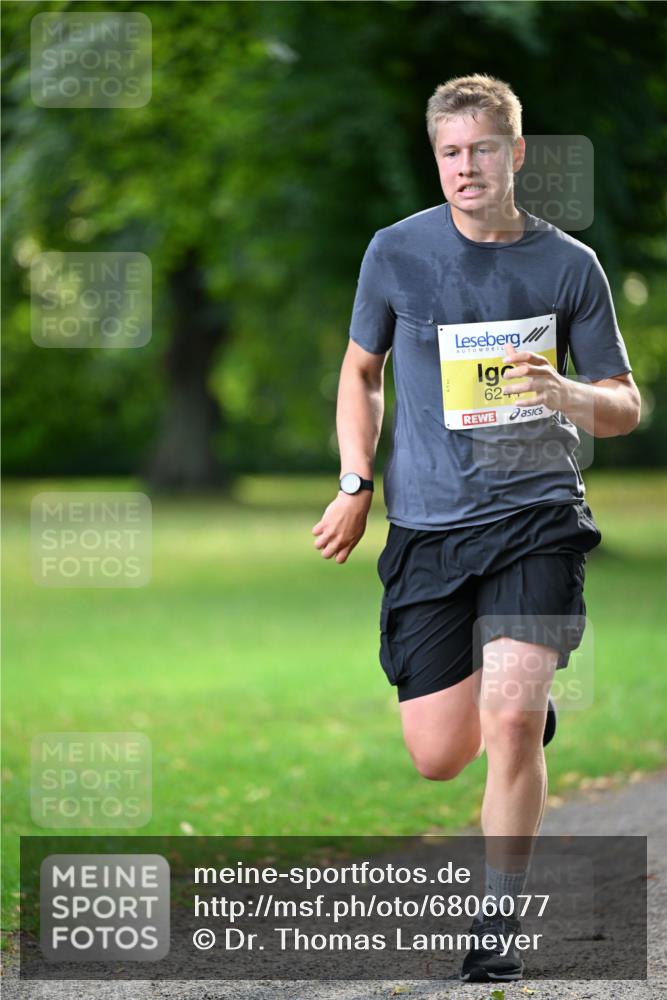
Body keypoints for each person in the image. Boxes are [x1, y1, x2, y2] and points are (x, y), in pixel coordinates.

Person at [311, 73, 640, 983]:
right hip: (426, 527)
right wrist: (354, 481)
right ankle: (521, 719)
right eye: (450, 153)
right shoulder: (395, 252)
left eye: (481, 149)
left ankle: (498, 920)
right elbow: (359, 372)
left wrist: (571, 395)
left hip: (536, 513)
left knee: (506, 714)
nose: (466, 168)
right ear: (437, 159)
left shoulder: (566, 265)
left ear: (515, 153)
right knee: (437, 754)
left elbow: (624, 404)